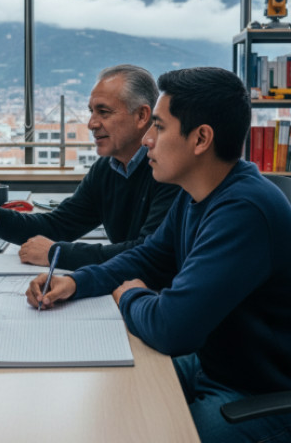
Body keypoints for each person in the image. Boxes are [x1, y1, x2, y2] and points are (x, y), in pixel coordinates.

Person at [27, 67, 291, 443]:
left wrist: (129, 295)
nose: (147, 140)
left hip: (258, 392)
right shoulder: (195, 193)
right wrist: (74, 282)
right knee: (114, 397)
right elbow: (148, 258)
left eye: (160, 128)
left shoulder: (244, 210)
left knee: (153, 431)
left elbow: (172, 329)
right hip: (217, 364)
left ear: (201, 139)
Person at [0, 64, 179, 269]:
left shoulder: (170, 171)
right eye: (91, 112)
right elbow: (57, 226)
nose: (91, 124)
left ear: (141, 115)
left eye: (104, 112)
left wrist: (56, 253)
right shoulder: (107, 169)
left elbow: (149, 254)